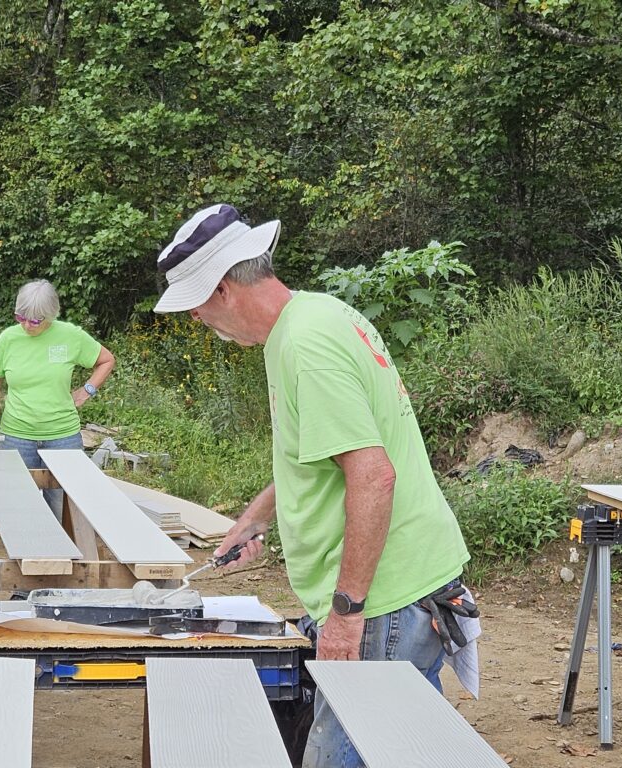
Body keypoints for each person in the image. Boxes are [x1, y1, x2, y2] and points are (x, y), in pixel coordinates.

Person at [153, 203, 475, 768]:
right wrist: (255, 519)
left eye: (198, 307)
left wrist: (347, 614)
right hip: (398, 588)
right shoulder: (314, 318)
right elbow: (321, 455)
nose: (199, 320)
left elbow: (374, 476)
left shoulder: (306, 347)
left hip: (383, 599)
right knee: (407, 749)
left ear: (225, 288)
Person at [0, 279, 115, 519]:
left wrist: (86, 391)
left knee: (64, 513)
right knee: (16, 510)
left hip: (63, 438)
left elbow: (106, 360)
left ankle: (63, 556)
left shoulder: (70, 335)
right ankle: (24, 556)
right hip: (17, 436)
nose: (27, 326)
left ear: (51, 315)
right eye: (21, 318)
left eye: (35, 321)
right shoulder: (8, 339)